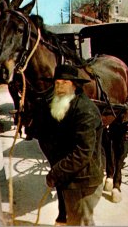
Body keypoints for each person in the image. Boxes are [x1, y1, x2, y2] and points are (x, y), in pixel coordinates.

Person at [38, 64, 104, 226]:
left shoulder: (85, 110)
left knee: (80, 223)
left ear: (75, 84)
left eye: (64, 83)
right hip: (72, 179)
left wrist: (56, 172)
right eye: (57, 83)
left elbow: (83, 152)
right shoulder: (65, 105)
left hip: (83, 182)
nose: (59, 87)